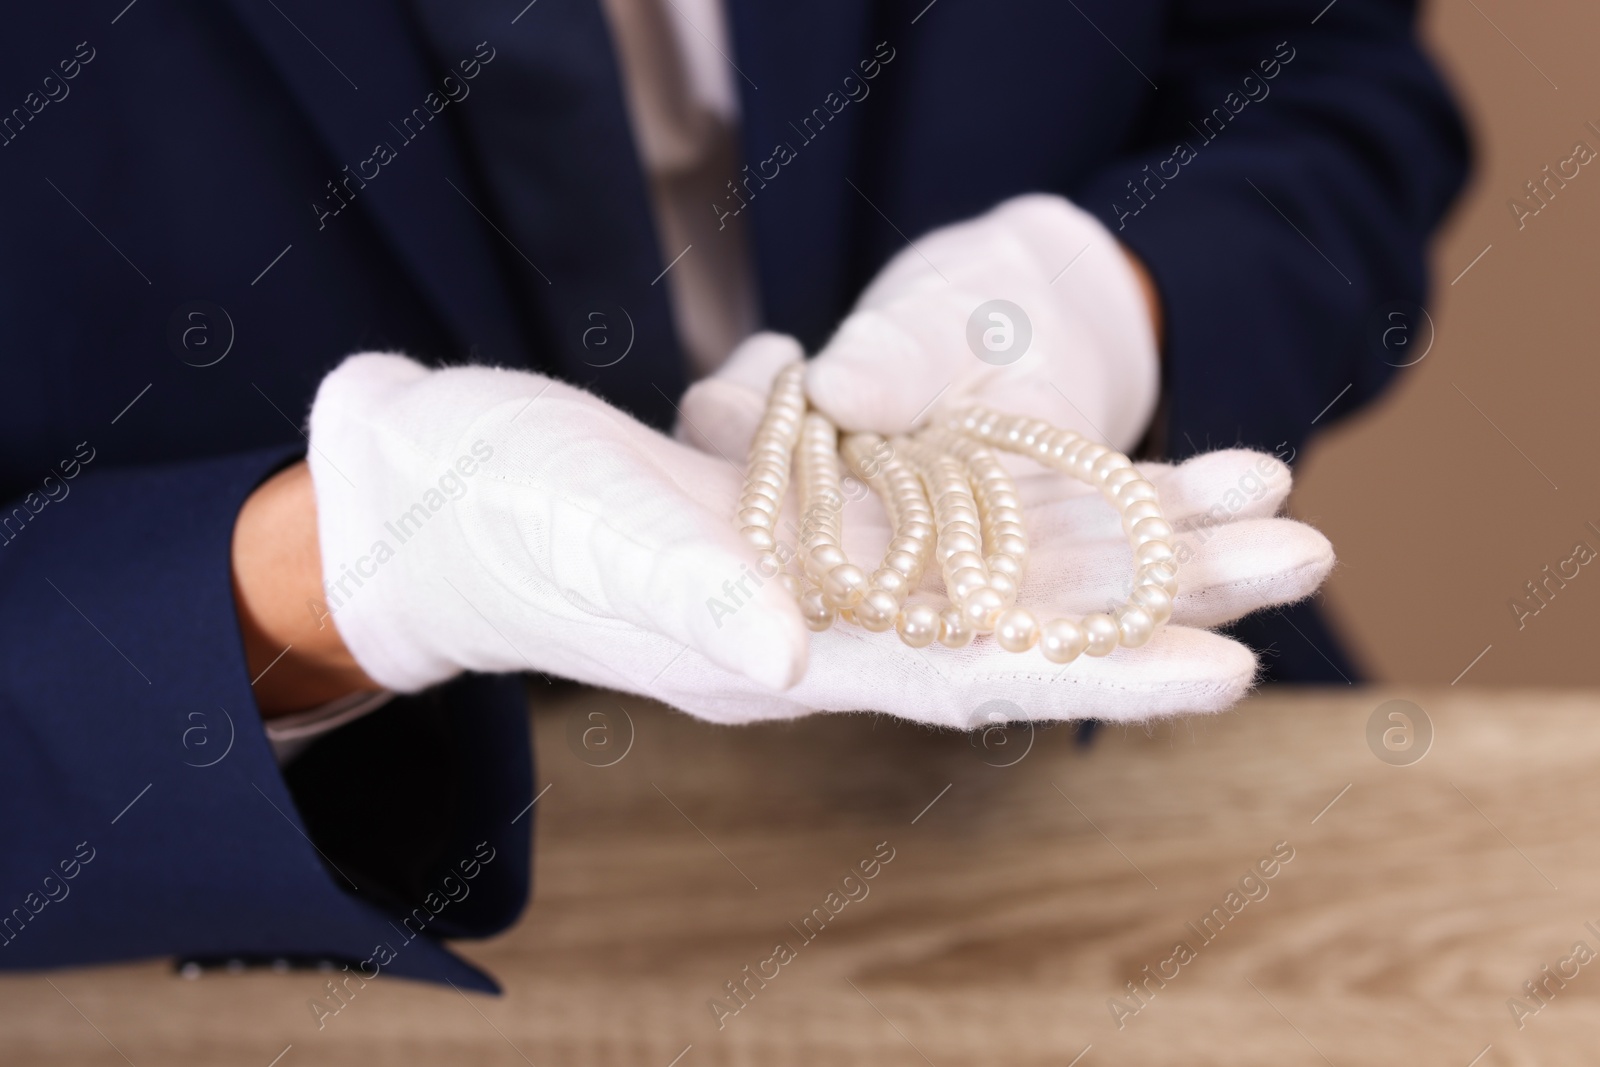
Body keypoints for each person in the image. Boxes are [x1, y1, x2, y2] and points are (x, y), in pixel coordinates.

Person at [0, 0, 1466, 990]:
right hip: (259, 932)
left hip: (1136, 831)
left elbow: (1331, 75)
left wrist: (1102, 289)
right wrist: (342, 567)